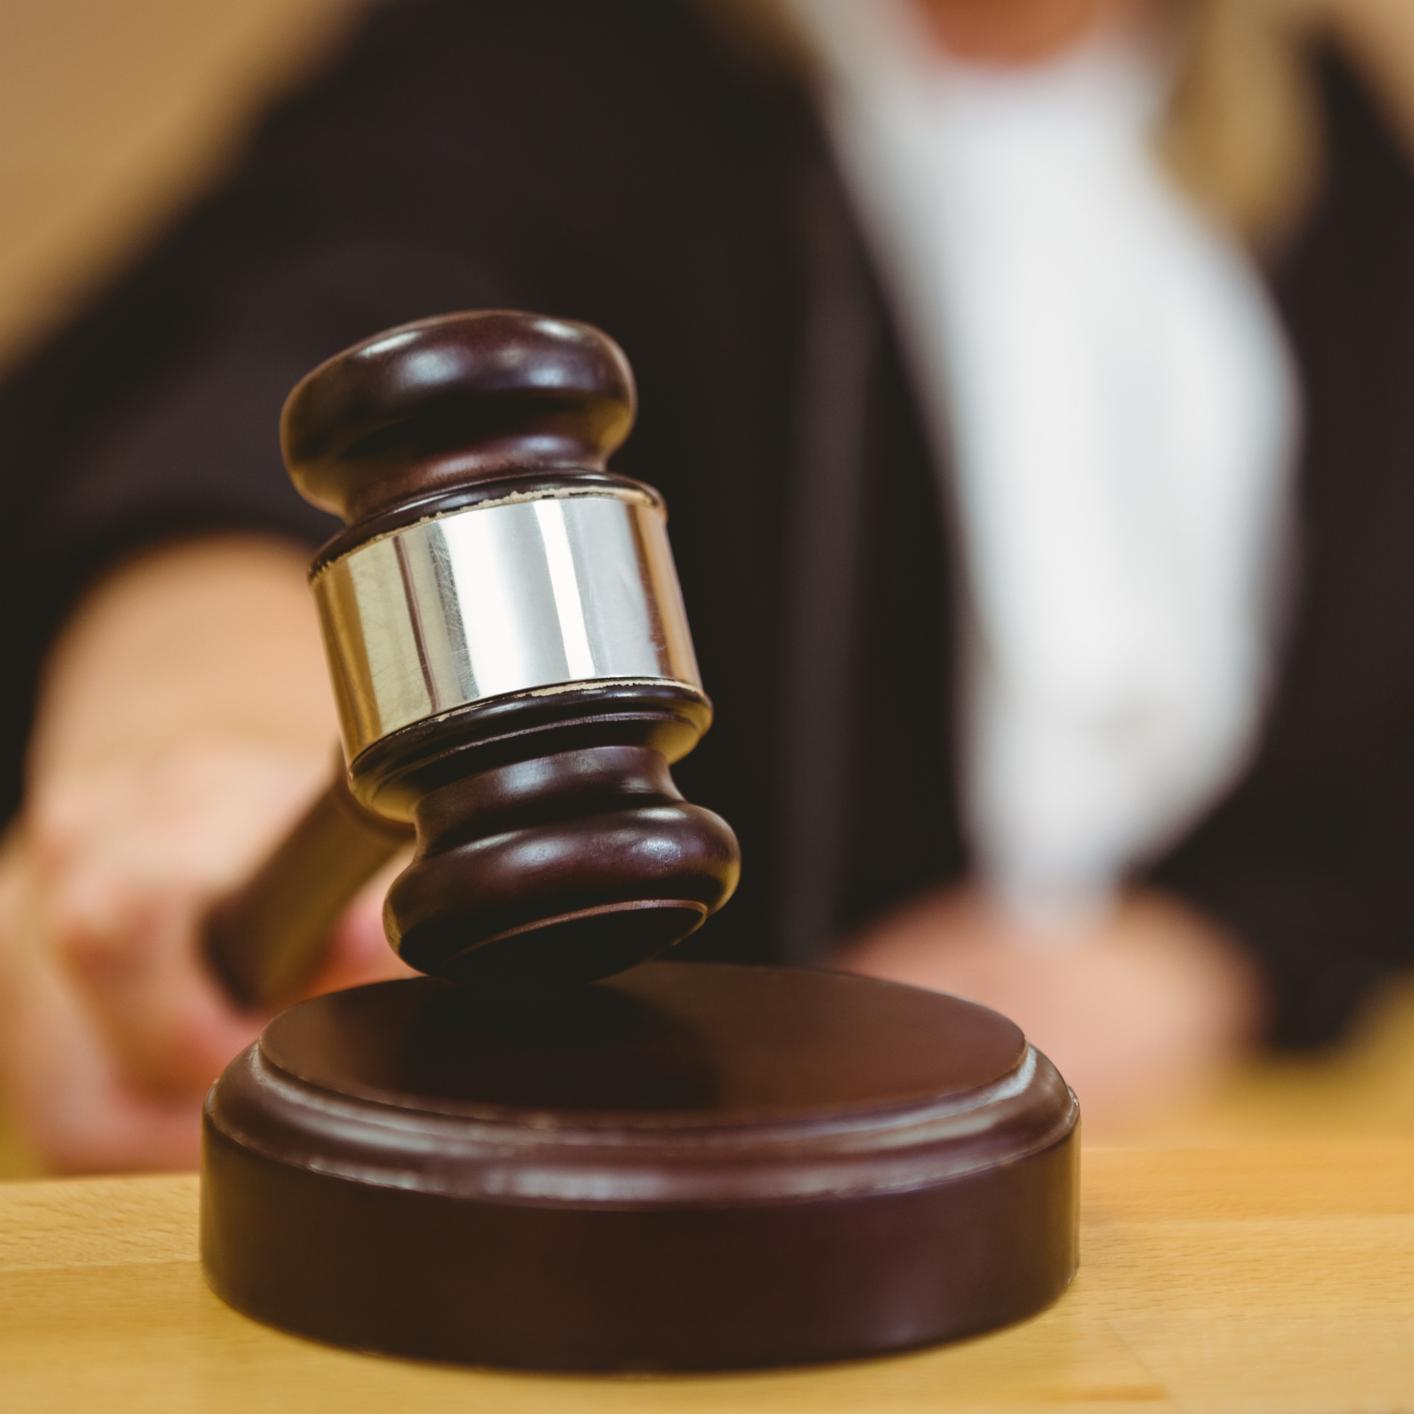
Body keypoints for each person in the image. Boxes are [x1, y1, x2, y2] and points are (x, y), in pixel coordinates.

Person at [2, 0, 1413, 1171]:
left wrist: (1210, 951)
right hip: (659, 1180)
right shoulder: (556, 57)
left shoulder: (1329, 147)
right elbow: (303, 339)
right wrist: (192, 729)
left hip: (1197, 1168)